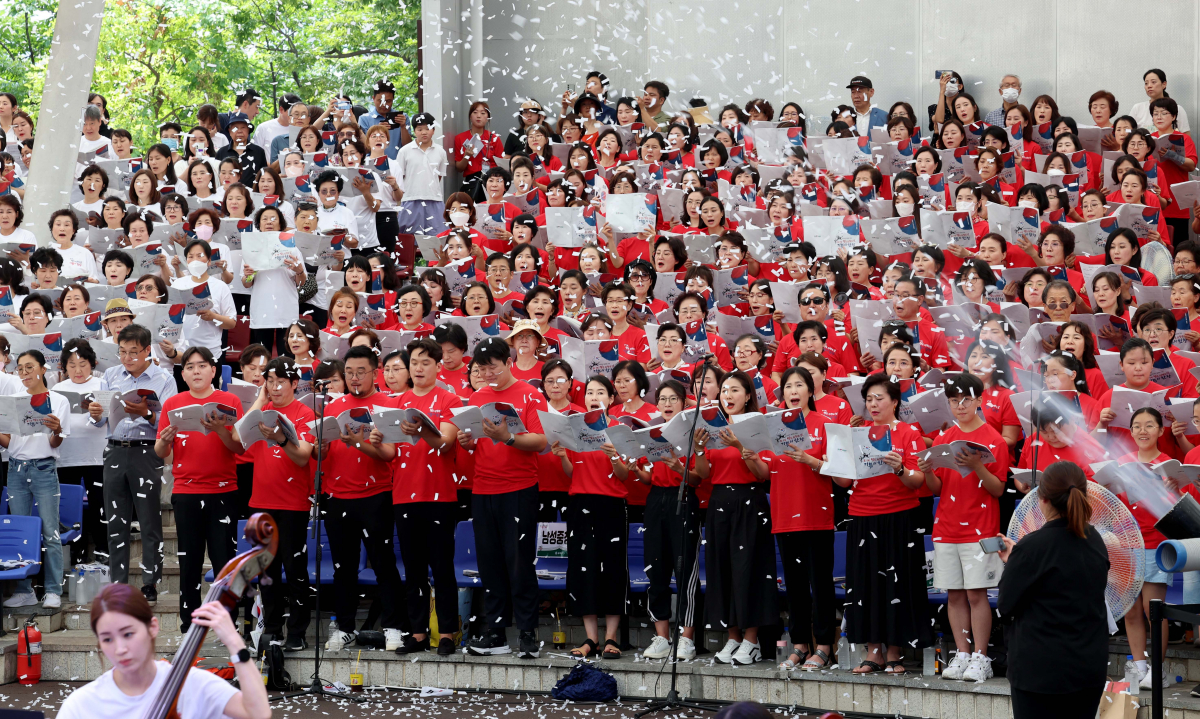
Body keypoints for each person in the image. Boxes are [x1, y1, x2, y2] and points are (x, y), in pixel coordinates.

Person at [829, 374, 929, 674]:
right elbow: (844, 481)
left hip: (899, 517)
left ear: (895, 402)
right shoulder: (856, 434)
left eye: (879, 398)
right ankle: (873, 651)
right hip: (862, 515)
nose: (873, 404)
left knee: (897, 583)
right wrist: (836, 456)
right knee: (866, 585)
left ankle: (895, 651)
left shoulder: (909, 434)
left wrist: (900, 469)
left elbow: (918, 481)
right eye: (868, 399)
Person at [456, 337, 548, 659]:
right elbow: (475, 441)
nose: (487, 374)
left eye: (492, 367)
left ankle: (527, 633)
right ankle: (495, 633)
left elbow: (540, 440)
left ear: (507, 362)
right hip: (483, 489)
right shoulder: (477, 396)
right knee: (490, 562)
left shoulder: (529, 395)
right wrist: (469, 441)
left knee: (520, 562)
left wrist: (508, 437)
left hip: (519, 488)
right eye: (481, 369)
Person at [55, 583, 271, 719]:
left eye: (128, 634)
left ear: (153, 627)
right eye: (107, 639)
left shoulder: (191, 683)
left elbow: (258, 713)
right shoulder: (82, 705)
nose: (120, 648)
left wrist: (235, 642)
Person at [997, 461, 1110, 719]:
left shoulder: (1032, 547)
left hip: (1039, 671)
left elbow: (1005, 606)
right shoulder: (1094, 539)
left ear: (1043, 499)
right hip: (1087, 667)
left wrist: (1014, 562)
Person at [916, 373, 1008, 682]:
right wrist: (928, 471)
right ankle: (963, 652)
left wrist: (978, 464)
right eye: (954, 400)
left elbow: (997, 489)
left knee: (976, 594)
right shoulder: (943, 439)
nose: (960, 405)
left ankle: (981, 656)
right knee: (954, 595)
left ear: (980, 400)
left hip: (982, 528)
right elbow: (936, 488)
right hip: (946, 526)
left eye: (966, 399)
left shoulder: (994, 439)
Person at [318, 345, 406, 652]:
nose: (355, 378)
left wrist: (358, 443)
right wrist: (322, 450)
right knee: (343, 567)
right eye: (349, 372)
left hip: (376, 495)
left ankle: (393, 626)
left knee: (383, 563)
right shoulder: (333, 406)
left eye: (361, 372)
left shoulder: (386, 405)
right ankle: (343, 627)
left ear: (375, 372)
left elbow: (390, 454)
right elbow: (323, 451)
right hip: (338, 495)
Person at [154, 347, 242, 632]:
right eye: (189, 367)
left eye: (201, 366)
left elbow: (239, 448)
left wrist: (219, 430)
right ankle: (189, 620)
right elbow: (161, 453)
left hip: (223, 490)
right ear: (182, 373)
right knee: (189, 560)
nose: (195, 371)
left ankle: (227, 619)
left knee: (223, 560)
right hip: (186, 491)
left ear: (213, 370)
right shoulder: (173, 404)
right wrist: (165, 440)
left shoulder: (229, 401)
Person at [88, 323, 178, 604]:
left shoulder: (163, 379)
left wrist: (146, 414)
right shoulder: (111, 375)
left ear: (147, 350)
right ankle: (119, 584)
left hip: (147, 451)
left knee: (149, 520)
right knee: (116, 521)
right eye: (122, 352)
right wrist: (95, 413)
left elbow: (169, 422)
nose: (127, 358)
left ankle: (150, 583)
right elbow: (100, 419)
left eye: (134, 352)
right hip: (114, 450)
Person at [692, 371, 778, 666]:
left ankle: (751, 640)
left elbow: (764, 475)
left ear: (748, 396)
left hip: (749, 501)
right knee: (723, 570)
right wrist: (700, 448)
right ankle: (732, 637)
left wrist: (741, 448)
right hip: (719, 503)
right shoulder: (714, 426)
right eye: (724, 390)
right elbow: (704, 474)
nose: (727, 395)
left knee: (749, 570)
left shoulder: (756, 427)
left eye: (734, 390)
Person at [552, 375, 631, 659]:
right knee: (582, 568)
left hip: (611, 503)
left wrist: (613, 456)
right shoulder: (575, 430)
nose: (594, 396)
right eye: (589, 392)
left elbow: (625, 477)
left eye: (600, 392)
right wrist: (562, 456)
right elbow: (573, 473)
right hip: (579, 503)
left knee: (612, 568)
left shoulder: (620, 431)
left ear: (611, 399)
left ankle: (611, 638)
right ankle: (590, 638)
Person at [391, 338, 461, 656]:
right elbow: (390, 451)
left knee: (442, 566)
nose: (418, 368)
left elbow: (446, 443)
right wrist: (372, 439)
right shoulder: (397, 402)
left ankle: (446, 632)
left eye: (425, 362)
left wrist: (421, 431)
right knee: (414, 568)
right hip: (404, 494)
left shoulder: (447, 399)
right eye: (414, 363)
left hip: (439, 495)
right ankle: (418, 632)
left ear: (437, 365)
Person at [0, 350, 70, 609]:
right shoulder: (12, 400)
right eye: (20, 369)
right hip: (16, 469)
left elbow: (55, 442)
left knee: (50, 531)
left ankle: (52, 589)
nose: (25, 373)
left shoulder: (58, 400)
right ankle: (24, 589)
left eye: (30, 367)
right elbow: (10, 443)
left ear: (42, 369)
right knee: (21, 532)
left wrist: (57, 430)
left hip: (43, 468)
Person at [57, 338, 108, 565]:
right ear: (64, 367)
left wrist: (98, 416)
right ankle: (76, 555)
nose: (77, 370)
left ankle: (103, 551)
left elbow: (110, 419)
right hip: (66, 458)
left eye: (83, 364)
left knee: (100, 506)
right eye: (71, 365)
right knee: (70, 508)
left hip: (97, 456)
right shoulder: (57, 389)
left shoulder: (102, 385)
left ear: (93, 363)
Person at [394, 113, 449, 235]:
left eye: (428, 128)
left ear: (433, 130)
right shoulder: (405, 151)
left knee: (437, 238)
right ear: (414, 130)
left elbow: (438, 176)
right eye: (419, 129)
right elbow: (400, 178)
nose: (424, 132)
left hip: (434, 199)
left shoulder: (441, 152)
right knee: (408, 239)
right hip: (410, 199)